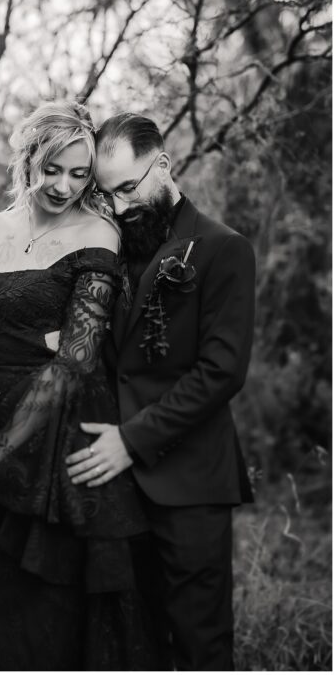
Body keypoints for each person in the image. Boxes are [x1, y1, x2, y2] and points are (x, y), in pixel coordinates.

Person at [0, 101, 159, 671]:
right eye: (53, 168)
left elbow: (76, 360)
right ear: (28, 158)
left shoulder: (98, 234)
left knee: (43, 619)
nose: (64, 185)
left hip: (52, 448)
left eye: (80, 174)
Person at [66, 112, 255, 671]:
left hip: (191, 482)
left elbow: (222, 372)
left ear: (164, 165)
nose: (121, 206)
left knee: (200, 644)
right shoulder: (110, 249)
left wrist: (131, 439)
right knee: (135, 643)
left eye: (129, 187)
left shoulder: (224, 249)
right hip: (118, 493)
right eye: (109, 194)